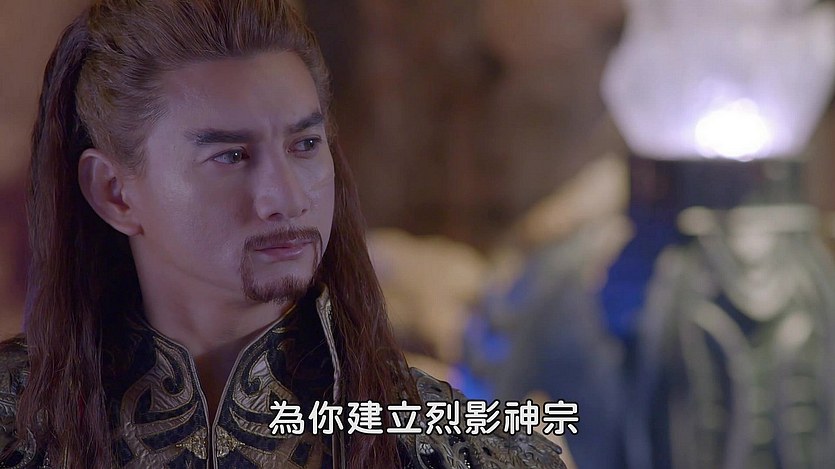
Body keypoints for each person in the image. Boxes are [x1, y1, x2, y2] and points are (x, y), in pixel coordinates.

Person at [0, 1, 567, 468]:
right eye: (231, 155)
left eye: (305, 145)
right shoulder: (18, 427)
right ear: (114, 193)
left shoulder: (455, 447)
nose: (289, 198)